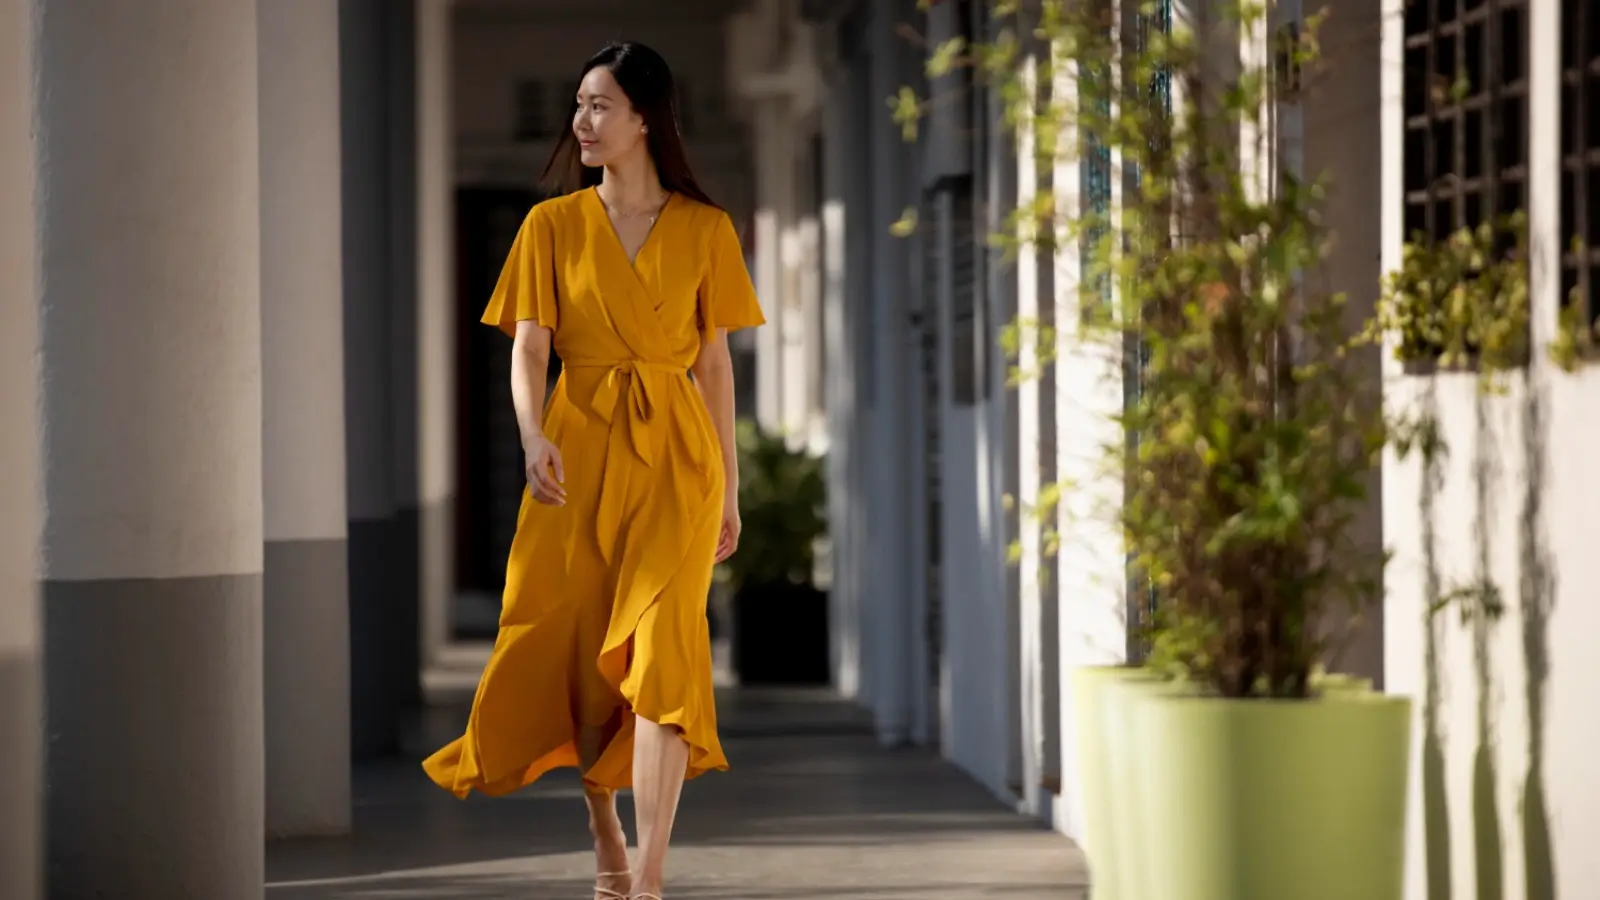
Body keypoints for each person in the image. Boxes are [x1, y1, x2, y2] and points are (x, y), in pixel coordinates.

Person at [423, 41, 764, 900]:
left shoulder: (706, 228)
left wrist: (728, 482)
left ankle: (646, 880)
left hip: (676, 463)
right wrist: (532, 435)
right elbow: (529, 348)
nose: (581, 120)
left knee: (663, 659)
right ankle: (601, 816)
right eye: (578, 104)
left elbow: (715, 367)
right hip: (576, 453)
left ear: (645, 117)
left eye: (600, 104)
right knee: (579, 651)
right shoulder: (551, 226)